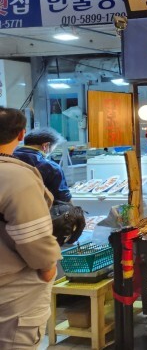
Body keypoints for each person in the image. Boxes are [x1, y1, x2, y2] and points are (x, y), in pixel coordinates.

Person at [0, 107, 61, 349]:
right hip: (13, 292)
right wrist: (48, 267)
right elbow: (32, 235)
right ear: (21, 134)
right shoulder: (15, 176)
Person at [14, 127, 72, 203]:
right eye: (53, 148)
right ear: (45, 146)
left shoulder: (8, 157)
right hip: (36, 208)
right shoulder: (51, 168)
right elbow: (63, 200)